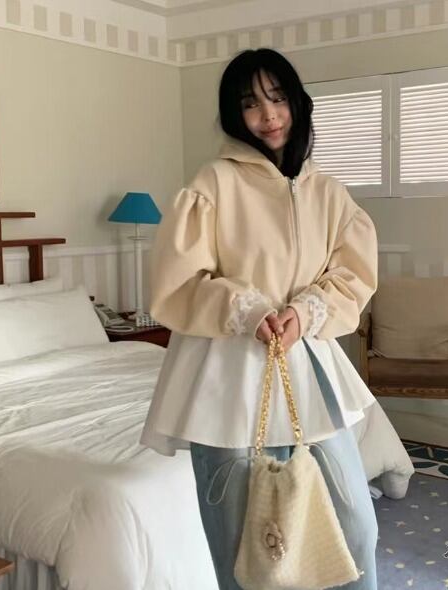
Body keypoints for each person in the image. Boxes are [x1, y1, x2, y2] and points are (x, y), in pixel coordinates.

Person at [140, 48, 380, 590]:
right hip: (226, 379)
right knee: (242, 553)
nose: (268, 115)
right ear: (235, 114)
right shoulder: (212, 184)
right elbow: (178, 282)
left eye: (277, 98)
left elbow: (353, 274)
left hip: (310, 367)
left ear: (297, 102)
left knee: (356, 531)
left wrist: (306, 310)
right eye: (251, 103)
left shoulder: (329, 192)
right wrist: (246, 309)